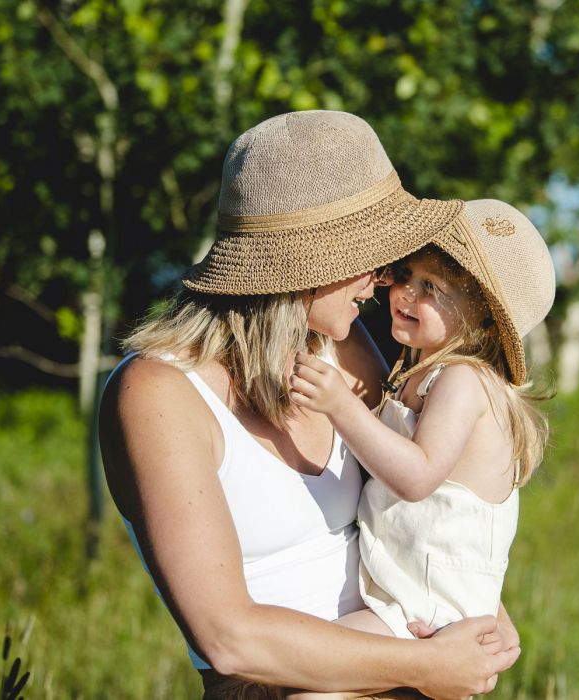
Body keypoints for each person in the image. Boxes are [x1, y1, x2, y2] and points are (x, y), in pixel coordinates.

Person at [98, 110, 521, 700]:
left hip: (410, 651)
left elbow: (420, 483)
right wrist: (424, 668)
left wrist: (470, 601)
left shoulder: (339, 344)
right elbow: (230, 638)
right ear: (301, 267)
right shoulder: (158, 393)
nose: (380, 280)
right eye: (367, 254)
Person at [289, 200, 555, 699]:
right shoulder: (415, 374)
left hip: (427, 613)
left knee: (307, 684)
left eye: (432, 288)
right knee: (302, 674)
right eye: (408, 274)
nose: (405, 292)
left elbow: (417, 479)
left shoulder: (463, 381)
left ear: (480, 312)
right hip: (407, 598)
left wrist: (339, 407)